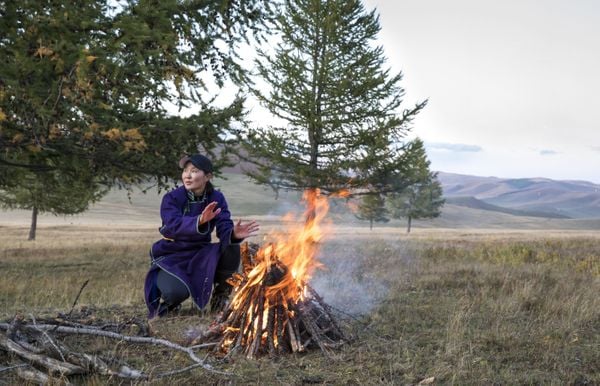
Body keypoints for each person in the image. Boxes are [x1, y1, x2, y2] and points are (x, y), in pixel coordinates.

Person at [144, 154, 259, 318]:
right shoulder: (171, 198)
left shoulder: (216, 198)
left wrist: (233, 234)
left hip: (200, 252)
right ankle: (167, 305)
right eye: (185, 171)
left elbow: (224, 226)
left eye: (194, 171)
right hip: (172, 254)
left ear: (208, 176)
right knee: (176, 293)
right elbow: (172, 226)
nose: (187, 175)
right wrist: (199, 220)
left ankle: (220, 300)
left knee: (232, 247)